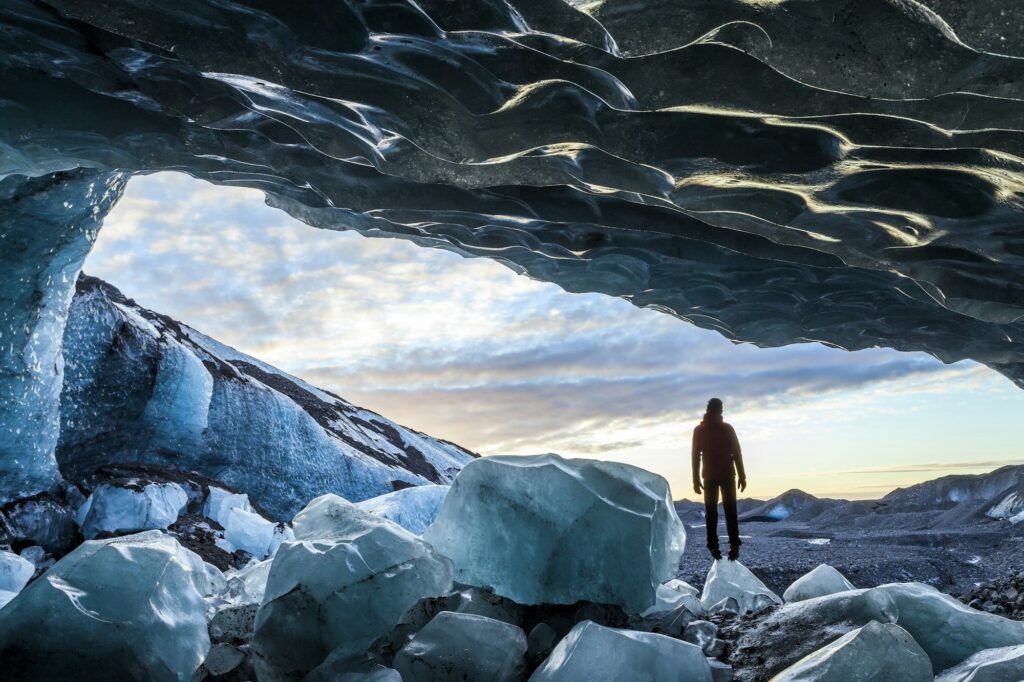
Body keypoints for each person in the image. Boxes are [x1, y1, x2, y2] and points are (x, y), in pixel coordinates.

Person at [691, 397, 746, 561]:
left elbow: (695, 457)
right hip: (728, 474)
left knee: (711, 513)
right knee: (730, 512)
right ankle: (734, 546)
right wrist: (742, 475)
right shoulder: (727, 428)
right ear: (721, 410)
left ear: (707, 409)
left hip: (709, 476)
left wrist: (695, 479)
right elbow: (737, 453)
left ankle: (713, 546)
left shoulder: (699, 430)